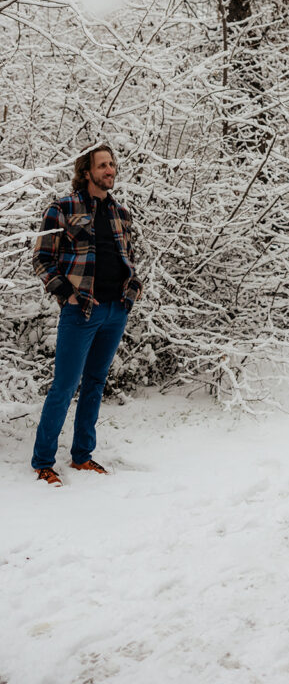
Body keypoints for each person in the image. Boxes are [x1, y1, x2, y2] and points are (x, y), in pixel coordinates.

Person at [31, 144, 143, 486]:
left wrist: (132, 289)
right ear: (86, 171)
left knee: (95, 383)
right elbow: (42, 259)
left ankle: (82, 456)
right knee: (64, 386)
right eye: (103, 165)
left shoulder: (121, 213)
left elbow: (129, 256)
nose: (110, 170)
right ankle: (43, 462)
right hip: (81, 311)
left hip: (115, 311)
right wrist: (66, 294)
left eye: (112, 164)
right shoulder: (62, 208)